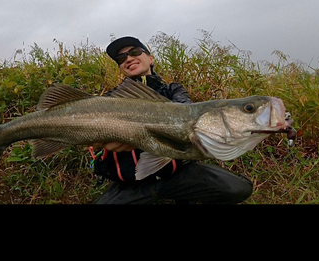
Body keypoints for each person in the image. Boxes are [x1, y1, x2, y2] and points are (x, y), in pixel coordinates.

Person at [91, 36, 253, 204]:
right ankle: (151, 194)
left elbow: (186, 110)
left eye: (134, 52)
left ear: (151, 58)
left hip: (178, 175)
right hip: (132, 185)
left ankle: (177, 190)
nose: (129, 59)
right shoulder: (111, 99)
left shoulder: (173, 89)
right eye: (121, 58)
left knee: (238, 188)